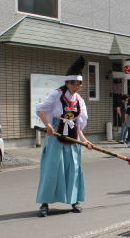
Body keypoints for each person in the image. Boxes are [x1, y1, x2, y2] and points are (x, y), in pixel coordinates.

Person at [35, 56, 93, 218]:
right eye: (73, 84)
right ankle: (44, 204)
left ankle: (74, 201)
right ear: (67, 83)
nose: (76, 87)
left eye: (79, 84)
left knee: (73, 169)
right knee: (52, 168)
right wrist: (48, 126)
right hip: (55, 136)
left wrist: (84, 140)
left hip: (72, 138)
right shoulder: (56, 95)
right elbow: (40, 109)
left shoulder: (79, 100)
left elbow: (78, 123)